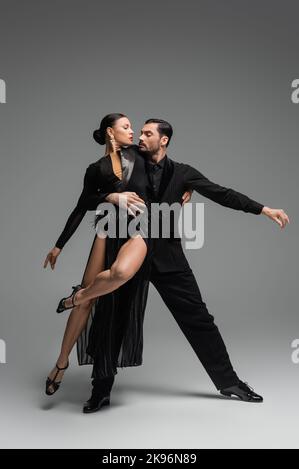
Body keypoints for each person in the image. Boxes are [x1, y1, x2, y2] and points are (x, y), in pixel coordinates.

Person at [82, 118, 290, 412]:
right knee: (113, 319)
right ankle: (100, 391)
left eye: (147, 133)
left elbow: (222, 193)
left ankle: (229, 382)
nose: (140, 136)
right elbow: (100, 180)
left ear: (164, 140)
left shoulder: (183, 173)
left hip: (168, 257)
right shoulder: (128, 161)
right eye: (139, 131)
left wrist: (263, 209)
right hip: (130, 251)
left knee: (199, 319)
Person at [43, 113, 192, 398]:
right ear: (111, 133)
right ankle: (61, 364)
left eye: (134, 128)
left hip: (138, 232)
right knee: (87, 299)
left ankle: (101, 378)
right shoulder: (96, 169)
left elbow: (169, 170)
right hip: (107, 230)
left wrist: (189, 187)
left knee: (110, 297)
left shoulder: (140, 154)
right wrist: (59, 245)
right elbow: (82, 205)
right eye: (126, 127)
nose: (133, 132)